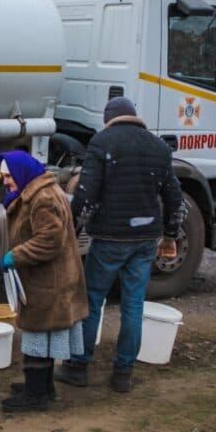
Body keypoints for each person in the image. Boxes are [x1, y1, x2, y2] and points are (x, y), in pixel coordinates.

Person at [58, 96, 184, 393]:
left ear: (108, 119)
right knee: (133, 304)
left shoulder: (102, 142)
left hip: (110, 238)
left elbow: (86, 194)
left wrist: (70, 232)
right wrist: (170, 234)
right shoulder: (158, 147)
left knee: (92, 300)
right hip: (146, 239)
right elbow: (174, 196)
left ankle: (78, 366)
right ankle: (123, 373)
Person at [0, 151, 88, 412]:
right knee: (43, 335)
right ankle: (43, 388)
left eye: (8, 176)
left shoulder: (43, 198)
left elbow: (49, 241)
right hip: (50, 279)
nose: (5, 181)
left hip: (49, 282)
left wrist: (15, 256)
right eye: (3, 176)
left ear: (22, 172)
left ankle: (35, 395)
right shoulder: (36, 191)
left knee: (37, 334)